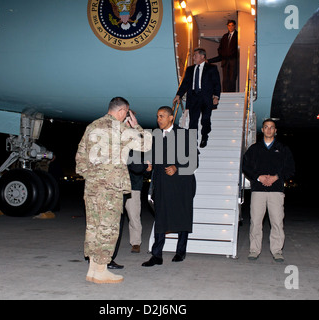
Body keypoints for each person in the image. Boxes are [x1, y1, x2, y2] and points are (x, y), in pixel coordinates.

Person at [75, 97, 152, 283]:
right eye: (126, 113)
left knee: (93, 227)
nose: (126, 116)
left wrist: (93, 178)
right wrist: (136, 126)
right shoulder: (122, 129)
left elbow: (80, 159)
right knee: (108, 229)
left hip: (92, 188)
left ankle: (93, 270)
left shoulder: (92, 127)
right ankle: (101, 270)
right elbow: (146, 145)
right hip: (111, 189)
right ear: (121, 111)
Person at [142, 106, 197, 267]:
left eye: (162, 116)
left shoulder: (184, 135)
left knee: (182, 217)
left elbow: (194, 162)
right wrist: (149, 167)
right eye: (157, 116)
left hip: (182, 185)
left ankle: (180, 251)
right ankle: (156, 255)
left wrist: (177, 168)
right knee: (160, 219)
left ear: (171, 118)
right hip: (162, 185)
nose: (159, 119)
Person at [242, 119, 295, 262]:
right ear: (262, 130)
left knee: (277, 222)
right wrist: (258, 177)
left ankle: (277, 250)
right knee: (256, 222)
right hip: (258, 191)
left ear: (275, 130)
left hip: (276, 191)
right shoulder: (254, 149)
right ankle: (254, 250)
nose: (269, 130)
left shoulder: (283, 149)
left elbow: (290, 169)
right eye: (266, 127)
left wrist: (276, 177)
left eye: (272, 127)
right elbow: (245, 167)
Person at [173, 47, 221, 148]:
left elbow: (217, 83)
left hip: (206, 98)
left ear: (202, 56)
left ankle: (204, 136)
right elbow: (185, 84)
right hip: (193, 98)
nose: (194, 57)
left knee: (205, 120)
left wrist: (216, 96)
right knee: (193, 121)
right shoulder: (190, 69)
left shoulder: (211, 68)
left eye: (196, 55)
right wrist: (178, 95)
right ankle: (192, 140)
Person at [209, 20, 239, 92]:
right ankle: (225, 92)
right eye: (229, 25)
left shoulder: (238, 35)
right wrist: (223, 54)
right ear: (227, 26)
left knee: (232, 78)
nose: (230, 27)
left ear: (235, 26)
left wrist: (230, 54)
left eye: (232, 25)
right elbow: (220, 48)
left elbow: (236, 48)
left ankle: (231, 94)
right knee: (225, 79)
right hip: (225, 61)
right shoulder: (225, 36)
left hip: (233, 60)